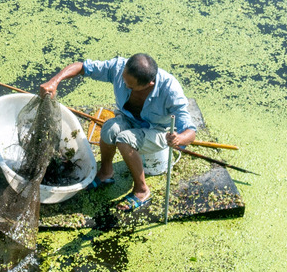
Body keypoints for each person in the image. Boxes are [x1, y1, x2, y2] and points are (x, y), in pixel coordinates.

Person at [40, 54, 198, 211]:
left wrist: (179, 139)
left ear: (149, 84)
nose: (124, 85)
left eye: (131, 86)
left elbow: (190, 131)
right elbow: (82, 67)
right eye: (124, 79)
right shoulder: (118, 68)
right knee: (109, 128)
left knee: (124, 140)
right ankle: (106, 172)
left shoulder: (170, 90)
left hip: (157, 130)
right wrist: (55, 81)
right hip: (128, 119)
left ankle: (142, 190)